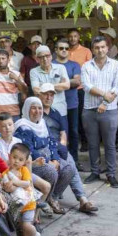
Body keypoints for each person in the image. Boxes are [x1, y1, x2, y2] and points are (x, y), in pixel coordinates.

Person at [30, 86, 97, 214]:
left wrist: (62, 147)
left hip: (58, 146)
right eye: (45, 94)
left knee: (70, 164)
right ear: (39, 95)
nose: (48, 97)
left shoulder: (57, 113)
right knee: (70, 165)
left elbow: (63, 134)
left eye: (51, 95)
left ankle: (77, 199)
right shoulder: (35, 112)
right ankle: (81, 199)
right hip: (44, 148)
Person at [81, 36, 118, 188]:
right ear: (92, 49)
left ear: (107, 48)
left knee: (110, 144)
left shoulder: (116, 65)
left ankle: (111, 174)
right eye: (97, 47)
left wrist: (105, 103)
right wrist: (104, 94)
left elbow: (117, 88)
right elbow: (86, 86)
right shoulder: (86, 66)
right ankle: (95, 172)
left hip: (110, 110)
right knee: (92, 144)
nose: (100, 50)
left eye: (102, 47)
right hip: (90, 110)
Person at [0, 49, 26, 119]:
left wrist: (17, 79)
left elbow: (24, 90)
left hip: (14, 113)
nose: (1, 61)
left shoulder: (16, 74)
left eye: (3, 58)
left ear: (8, 60)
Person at [30, 45, 71, 116]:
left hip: (60, 109)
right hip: (43, 111)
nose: (45, 59)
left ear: (51, 56)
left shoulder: (61, 68)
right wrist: (59, 85)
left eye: (47, 56)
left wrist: (43, 86)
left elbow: (67, 85)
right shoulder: (34, 71)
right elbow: (36, 90)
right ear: (37, 59)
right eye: (41, 57)